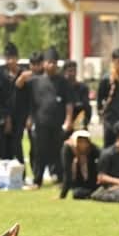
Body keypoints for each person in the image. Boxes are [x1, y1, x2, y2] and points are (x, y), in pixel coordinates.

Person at [27, 47, 73, 189]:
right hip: (41, 122)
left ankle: (60, 180)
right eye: (48, 62)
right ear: (43, 64)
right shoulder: (35, 82)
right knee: (39, 152)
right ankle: (37, 180)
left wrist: (68, 120)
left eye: (54, 62)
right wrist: (29, 119)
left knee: (59, 152)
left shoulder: (63, 82)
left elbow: (69, 103)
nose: (51, 65)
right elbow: (30, 102)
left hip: (58, 123)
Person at [58, 130, 99, 200]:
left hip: (91, 180)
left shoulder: (92, 148)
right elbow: (67, 172)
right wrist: (62, 195)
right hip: (77, 183)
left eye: (85, 142)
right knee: (77, 193)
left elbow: (103, 158)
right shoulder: (68, 149)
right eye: (80, 141)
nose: (83, 144)